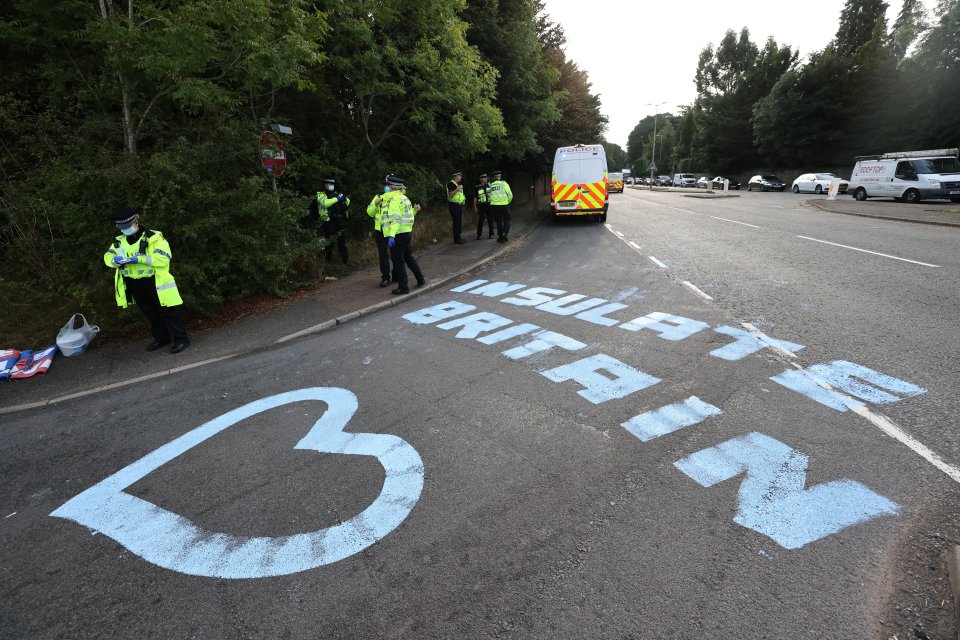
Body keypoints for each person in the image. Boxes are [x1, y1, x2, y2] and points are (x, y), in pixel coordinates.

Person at [103, 208, 190, 354]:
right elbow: (107, 257)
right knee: (150, 312)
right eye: (122, 228)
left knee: (167, 311)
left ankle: (181, 339)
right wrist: (115, 261)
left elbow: (163, 258)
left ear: (136, 222)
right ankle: (162, 338)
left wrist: (138, 259)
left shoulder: (154, 237)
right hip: (134, 283)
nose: (124, 230)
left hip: (155, 280)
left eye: (127, 226)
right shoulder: (118, 241)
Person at [381, 174, 426, 295]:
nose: (387, 187)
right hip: (407, 233)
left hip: (397, 235)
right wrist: (415, 211)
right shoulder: (405, 198)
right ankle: (420, 279)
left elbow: (395, 219)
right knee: (408, 257)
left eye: (388, 186)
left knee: (398, 262)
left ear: (392, 187)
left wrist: (391, 235)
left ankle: (403, 287)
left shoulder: (393, 200)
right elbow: (409, 216)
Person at [310, 178, 350, 264]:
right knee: (329, 242)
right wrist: (337, 199)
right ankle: (327, 261)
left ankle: (345, 261)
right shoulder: (320, 194)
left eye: (331, 184)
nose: (330, 185)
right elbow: (325, 203)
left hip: (339, 219)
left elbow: (347, 201)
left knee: (342, 240)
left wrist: (343, 199)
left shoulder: (337, 193)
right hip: (328, 220)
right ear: (324, 185)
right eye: (328, 184)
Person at [366, 185, 394, 288]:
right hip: (380, 231)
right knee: (383, 255)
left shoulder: (395, 197)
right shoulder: (378, 196)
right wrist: (375, 205)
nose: (387, 187)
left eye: (389, 185)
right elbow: (369, 212)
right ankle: (386, 277)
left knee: (395, 254)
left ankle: (396, 275)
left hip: (393, 231)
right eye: (386, 185)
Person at [489, 170, 513, 242]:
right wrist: (507, 202)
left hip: (494, 206)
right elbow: (510, 195)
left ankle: (501, 237)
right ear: (500, 176)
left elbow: (489, 196)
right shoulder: (504, 184)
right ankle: (505, 234)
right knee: (507, 219)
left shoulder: (491, 185)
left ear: (494, 177)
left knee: (498, 221)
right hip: (504, 205)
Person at [446, 171, 466, 244]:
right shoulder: (450, 184)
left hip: (458, 205)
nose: (461, 177)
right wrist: (457, 189)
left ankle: (458, 237)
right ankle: (456, 239)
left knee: (458, 222)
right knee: (456, 222)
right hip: (454, 205)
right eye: (460, 176)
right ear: (456, 176)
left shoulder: (457, 184)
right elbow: (451, 195)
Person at [474, 172, 494, 240]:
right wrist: (475, 207)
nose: (485, 179)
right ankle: (478, 235)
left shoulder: (489, 185)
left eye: (486, 177)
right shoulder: (477, 187)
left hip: (489, 204)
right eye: (484, 177)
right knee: (481, 220)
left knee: (490, 219)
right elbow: (475, 198)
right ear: (480, 179)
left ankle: (491, 234)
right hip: (481, 205)